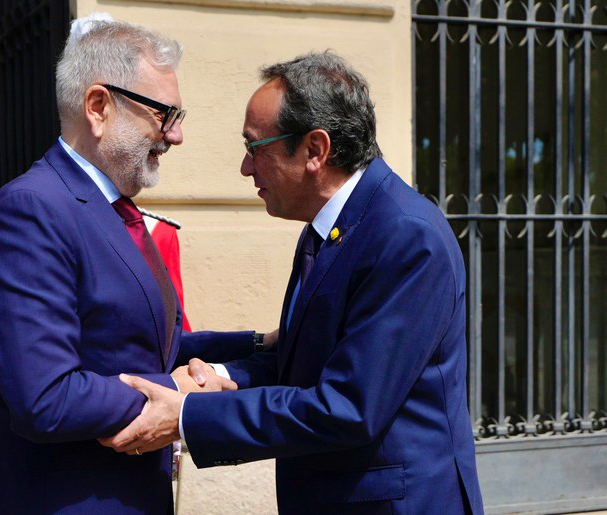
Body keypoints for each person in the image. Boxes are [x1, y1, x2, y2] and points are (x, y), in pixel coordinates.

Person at [100, 51, 485, 514]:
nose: (246, 169)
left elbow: (349, 407)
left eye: (255, 148)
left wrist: (186, 416)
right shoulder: (330, 225)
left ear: (315, 150)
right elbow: (306, 364)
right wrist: (219, 377)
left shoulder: (405, 236)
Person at [0, 13, 262, 514]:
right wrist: (176, 390)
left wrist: (255, 345)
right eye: (164, 114)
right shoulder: (32, 209)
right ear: (99, 107)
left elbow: (139, 344)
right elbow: (45, 397)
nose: (175, 136)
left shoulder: (111, 208)